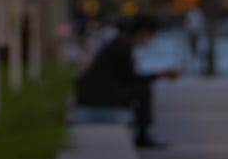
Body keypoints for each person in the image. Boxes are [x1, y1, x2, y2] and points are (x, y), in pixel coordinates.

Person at [73, 13, 180, 148]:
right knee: (142, 90)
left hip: (97, 91)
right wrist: (161, 74)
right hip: (98, 95)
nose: (151, 40)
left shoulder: (122, 42)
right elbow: (130, 78)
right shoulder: (123, 45)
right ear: (143, 32)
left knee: (141, 89)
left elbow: (127, 76)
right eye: (151, 35)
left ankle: (142, 130)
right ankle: (143, 135)